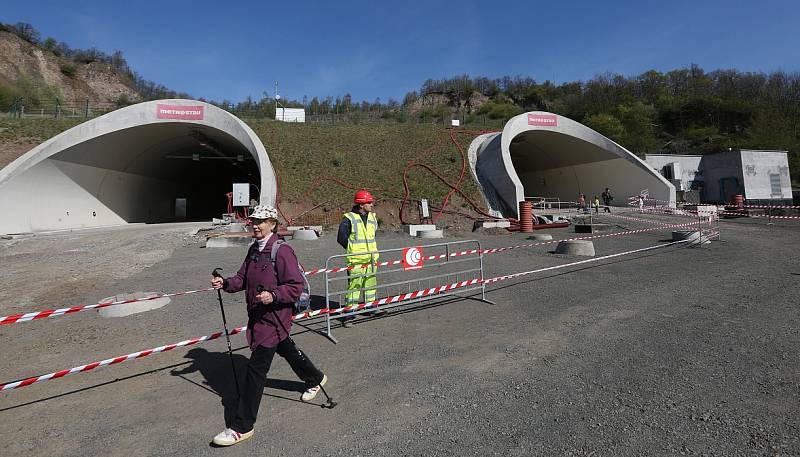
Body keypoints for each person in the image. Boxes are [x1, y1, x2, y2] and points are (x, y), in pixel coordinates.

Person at [210, 205, 327, 447]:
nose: (255, 224)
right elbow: (242, 278)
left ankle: (242, 426)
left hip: (274, 317)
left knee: (255, 371)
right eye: (254, 220)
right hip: (258, 316)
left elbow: (294, 286)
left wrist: (274, 296)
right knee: (287, 349)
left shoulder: (282, 251)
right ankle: (315, 378)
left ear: (272, 224)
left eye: (261, 221)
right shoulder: (254, 249)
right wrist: (226, 283)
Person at [337, 189, 382, 327]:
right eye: (369, 202)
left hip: (371, 259)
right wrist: (353, 250)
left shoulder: (373, 218)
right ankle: (349, 315)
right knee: (354, 287)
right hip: (356, 260)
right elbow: (341, 238)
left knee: (370, 284)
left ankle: (371, 308)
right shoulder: (349, 218)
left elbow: (372, 236)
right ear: (361, 205)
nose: (372, 204)